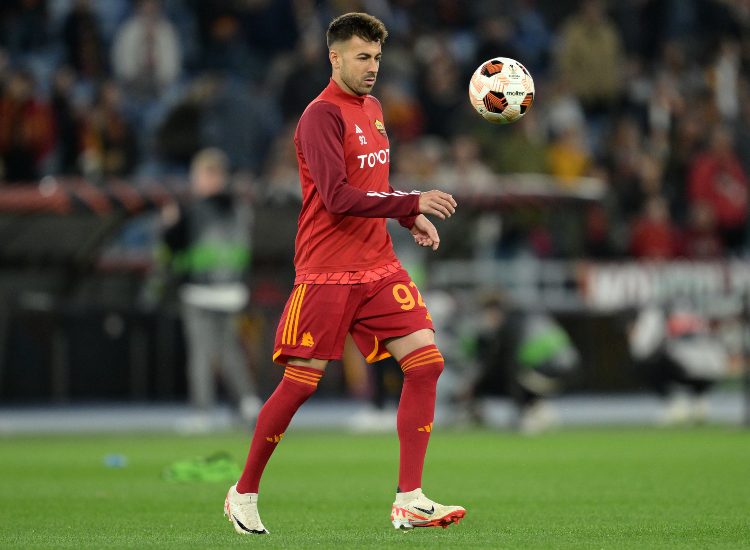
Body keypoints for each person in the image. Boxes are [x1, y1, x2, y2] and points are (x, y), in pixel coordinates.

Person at [223, 12, 465, 535]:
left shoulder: (373, 109)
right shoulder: (319, 116)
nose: (372, 67)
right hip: (327, 270)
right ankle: (243, 492)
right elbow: (336, 196)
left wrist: (408, 217)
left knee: (426, 364)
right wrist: (412, 200)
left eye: (377, 57)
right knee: (298, 385)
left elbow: (373, 183)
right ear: (334, 58)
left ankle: (410, 499)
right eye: (362, 57)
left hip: (378, 266)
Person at [162, 148, 260, 429]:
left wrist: (169, 225)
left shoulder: (192, 209)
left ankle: (202, 411)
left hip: (200, 289)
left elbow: (173, 245)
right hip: (231, 290)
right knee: (229, 349)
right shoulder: (240, 207)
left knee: (202, 351)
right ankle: (248, 402)